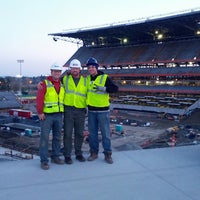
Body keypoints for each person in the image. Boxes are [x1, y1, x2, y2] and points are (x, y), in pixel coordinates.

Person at [86, 57, 118, 164]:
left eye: (92, 67)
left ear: (96, 67)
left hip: (103, 111)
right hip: (91, 111)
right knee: (92, 134)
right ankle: (94, 153)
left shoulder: (104, 77)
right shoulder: (87, 79)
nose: (90, 69)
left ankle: (108, 154)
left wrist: (103, 88)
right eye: (89, 67)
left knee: (105, 134)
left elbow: (115, 89)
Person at [36, 64, 65, 170]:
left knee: (57, 137)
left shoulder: (62, 84)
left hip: (58, 115)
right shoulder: (44, 83)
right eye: (54, 71)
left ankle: (55, 157)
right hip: (47, 116)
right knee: (44, 137)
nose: (57, 73)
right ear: (51, 72)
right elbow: (39, 98)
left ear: (60, 73)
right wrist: (40, 112)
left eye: (58, 71)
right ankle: (44, 161)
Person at [62, 59, 87, 164]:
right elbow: (53, 80)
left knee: (79, 134)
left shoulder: (85, 81)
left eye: (76, 68)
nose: (75, 70)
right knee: (67, 133)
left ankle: (78, 153)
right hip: (68, 110)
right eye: (73, 68)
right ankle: (67, 155)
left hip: (81, 110)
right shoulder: (65, 79)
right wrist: (41, 84)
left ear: (79, 69)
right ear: (70, 69)